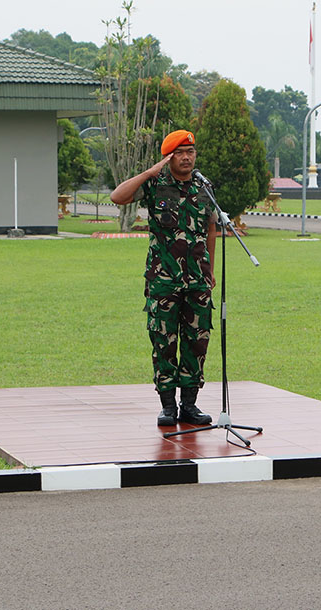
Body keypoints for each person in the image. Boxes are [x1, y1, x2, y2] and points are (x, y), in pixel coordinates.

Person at [110, 130, 217, 427]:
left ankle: (190, 405)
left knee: (197, 341)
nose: (187, 157)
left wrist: (209, 270)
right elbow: (118, 196)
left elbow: (211, 228)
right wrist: (150, 171)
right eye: (180, 152)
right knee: (164, 341)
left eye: (191, 152)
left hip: (197, 279)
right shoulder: (155, 185)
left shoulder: (203, 187)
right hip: (163, 279)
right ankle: (168, 406)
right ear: (169, 157)